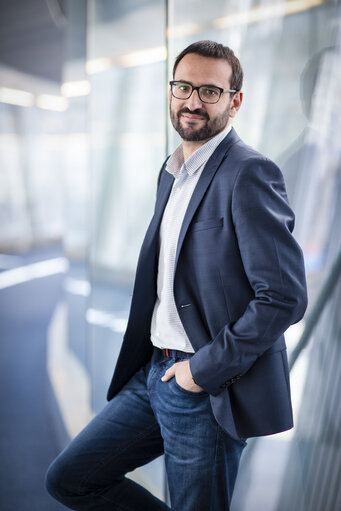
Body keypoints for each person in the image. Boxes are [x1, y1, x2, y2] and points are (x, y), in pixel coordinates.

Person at [46, 40, 307, 511]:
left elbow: (284, 297)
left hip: (203, 385)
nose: (192, 101)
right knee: (71, 479)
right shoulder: (172, 171)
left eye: (210, 91)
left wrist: (200, 373)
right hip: (154, 374)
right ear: (171, 91)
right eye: (184, 87)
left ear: (235, 101)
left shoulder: (249, 173)